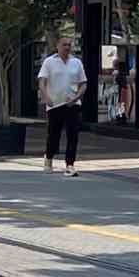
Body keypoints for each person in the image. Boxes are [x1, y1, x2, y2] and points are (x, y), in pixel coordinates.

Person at [39, 36, 87, 176]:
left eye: (69, 45)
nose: (67, 47)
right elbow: (42, 81)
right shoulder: (49, 62)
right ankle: (48, 159)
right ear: (57, 46)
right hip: (54, 104)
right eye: (64, 45)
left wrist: (77, 97)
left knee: (73, 135)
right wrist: (45, 97)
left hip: (72, 104)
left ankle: (70, 164)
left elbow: (83, 83)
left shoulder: (76, 62)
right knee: (54, 134)